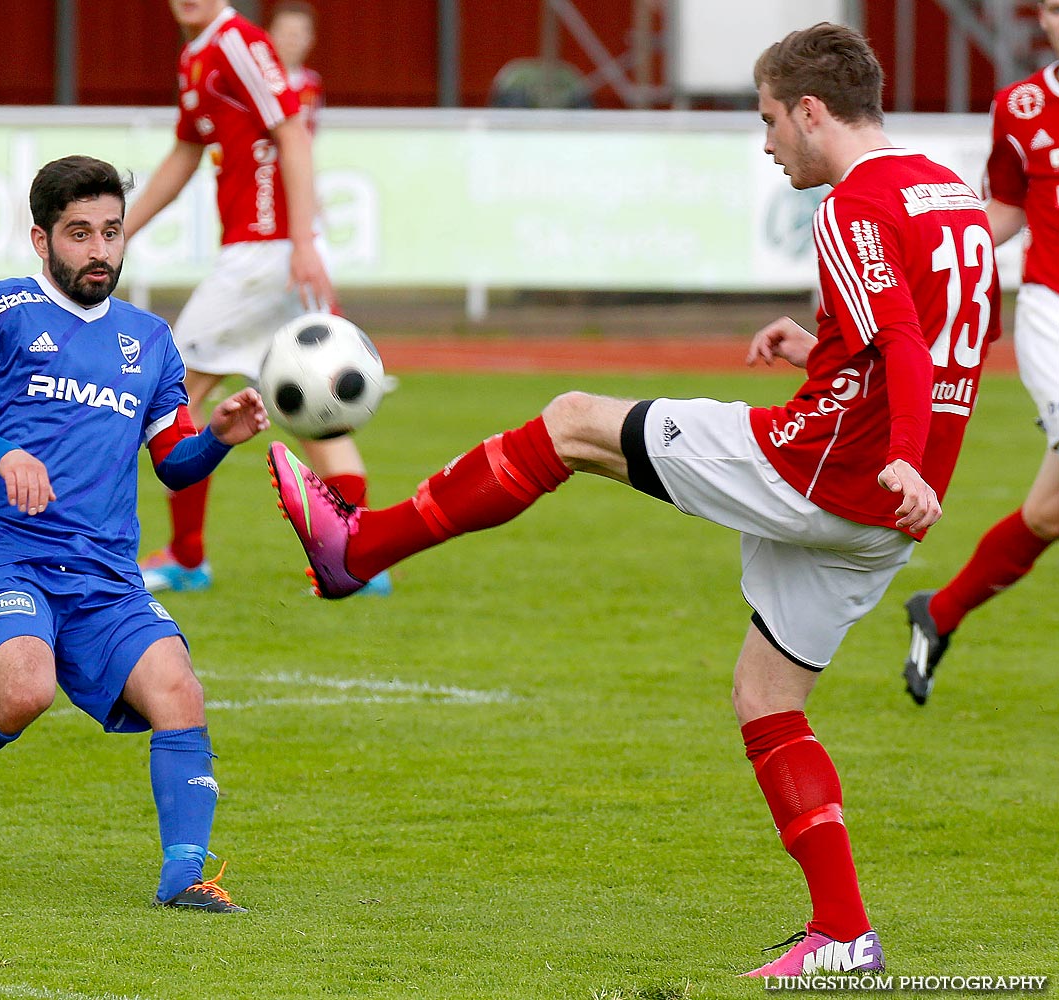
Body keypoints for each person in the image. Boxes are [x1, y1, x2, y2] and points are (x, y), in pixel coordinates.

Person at [268, 23, 1000, 976]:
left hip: (822, 467)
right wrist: (823, 350)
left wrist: (892, 448)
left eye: (771, 118)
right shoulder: (948, 191)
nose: (767, 140)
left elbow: (902, 339)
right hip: (883, 513)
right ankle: (842, 933)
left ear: (812, 112)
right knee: (766, 697)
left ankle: (357, 551)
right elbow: (935, 332)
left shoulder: (848, 203)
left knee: (572, 421)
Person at [0, 154, 268, 912]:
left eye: (111, 232)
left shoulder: (148, 340)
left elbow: (176, 466)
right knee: (23, 690)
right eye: (80, 233)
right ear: (40, 238)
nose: (99, 250)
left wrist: (218, 437)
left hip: (102, 573)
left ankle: (185, 875)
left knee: (178, 691)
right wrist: (4, 452)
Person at [127, 0, 389, 596]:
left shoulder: (237, 43)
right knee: (312, 407)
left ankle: (188, 557)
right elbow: (184, 155)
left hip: (263, 254)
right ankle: (363, 556)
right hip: (265, 254)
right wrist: (123, 232)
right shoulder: (197, 57)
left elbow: (292, 132)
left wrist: (300, 241)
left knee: (175, 393)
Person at [900, 0, 1059, 705]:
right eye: (1051, 8)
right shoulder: (1019, 106)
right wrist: (936, 253)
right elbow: (1009, 206)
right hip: (1052, 315)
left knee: (1048, 513)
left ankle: (938, 613)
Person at [267, 1, 323, 138]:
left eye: (297, 35)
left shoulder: (313, 83)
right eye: (284, 33)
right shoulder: (259, 80)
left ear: (310, 39)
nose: (291, 41)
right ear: (269, 34)